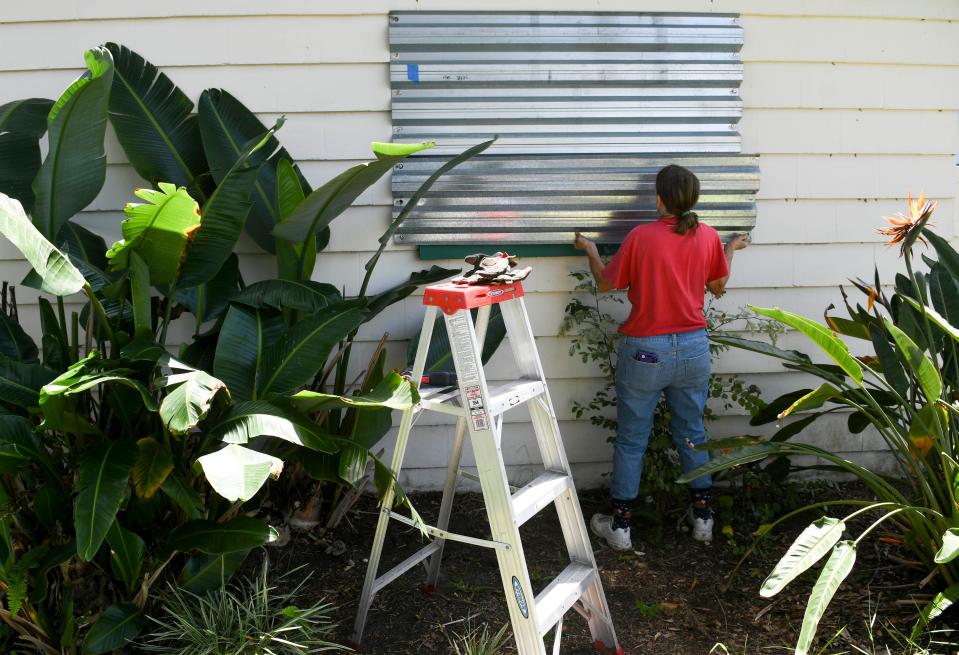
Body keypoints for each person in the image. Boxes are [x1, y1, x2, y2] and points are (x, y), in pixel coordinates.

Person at [573, 164, 749, 550]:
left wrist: (589, 248)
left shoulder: (641, 236)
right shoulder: (707, 237)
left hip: (646, 352)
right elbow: (718, 286)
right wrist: (730, 249)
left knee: (632, 439)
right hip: (693, 348)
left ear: (659, 198)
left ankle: (620, 526)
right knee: (692, 434)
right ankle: (703, 518)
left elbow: (606, 283)